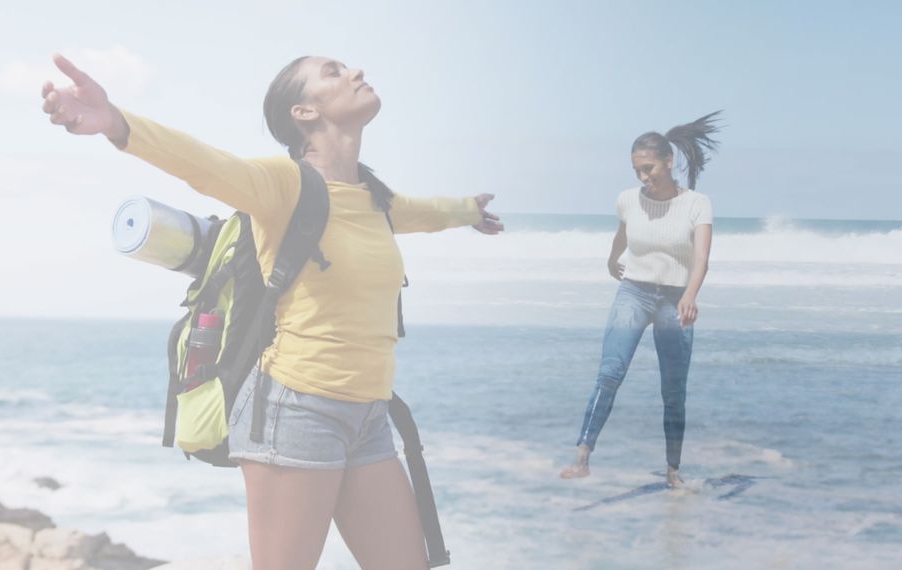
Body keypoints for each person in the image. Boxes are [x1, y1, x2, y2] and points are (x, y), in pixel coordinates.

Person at [41, 53, 503, 569]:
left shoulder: (374, 198)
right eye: (333, 72)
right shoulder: (282, 184)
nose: (354, 72)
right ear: (304, 112)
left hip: (369, 415)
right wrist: (116, 122)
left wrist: (468, 211)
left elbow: (420, 210)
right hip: (297, 410)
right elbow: (204, 164)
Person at [559, 112, 721, 488]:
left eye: (649, 168)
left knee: (673, 388)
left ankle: (673, 471)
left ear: (669, 161)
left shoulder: (698, 204)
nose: (643, 177)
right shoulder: (628, 200)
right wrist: (611, 258)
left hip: (675, 299)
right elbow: (623, 234)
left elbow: (701, 259)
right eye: (637, 171)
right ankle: (583, 456)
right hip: (634, 290)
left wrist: (691, 296)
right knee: (610, 371)